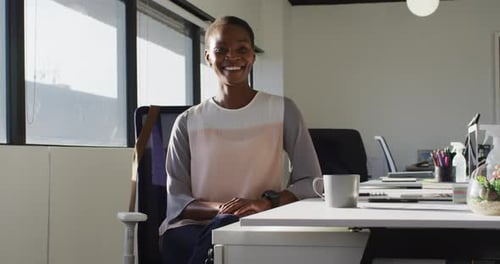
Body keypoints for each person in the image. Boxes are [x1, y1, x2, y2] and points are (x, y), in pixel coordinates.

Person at [160, 15, 322, 264]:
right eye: (221, 50)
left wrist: (264, 203)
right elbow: (178, 201)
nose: (232, 57)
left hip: (261, 222)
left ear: (253, 56)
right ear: (207, 57)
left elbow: (311, 181)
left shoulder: (283, 110)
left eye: (242, 49)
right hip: (193, 227)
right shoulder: (186, 122)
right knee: (225, 236)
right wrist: (225, 209)